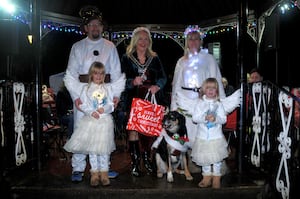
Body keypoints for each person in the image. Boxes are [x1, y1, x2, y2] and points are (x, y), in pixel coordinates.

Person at [63, 5, 122, 182]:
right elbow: (71, 74)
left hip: (104, 93)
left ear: (102, 27)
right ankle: (78, 168)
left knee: (103, 132)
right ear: (86, 27)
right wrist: (77, 98)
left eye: (98, 25)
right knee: (82, 131)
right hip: (84, 94)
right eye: (92, 25)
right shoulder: (77, 47)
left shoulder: (110, 46)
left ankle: (104, 168)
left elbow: (117, 73)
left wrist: (116, 94)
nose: (95, 28)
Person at [64, 62, 125, 187]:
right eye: (96, 73)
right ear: (91, 74)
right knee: (93, 149)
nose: (99, 76)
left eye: (101, 73)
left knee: (104, 150)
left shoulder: (107, 88)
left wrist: (105, 109)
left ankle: (104, 173)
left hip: (104, 122)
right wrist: (91, 112)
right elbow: (82, 104)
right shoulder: (85, 89)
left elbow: (111, 104)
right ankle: (94, 174)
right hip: (91, 122)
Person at [120, 26, 167, 177]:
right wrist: (132, 81)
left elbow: (163, 77)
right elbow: (119, 80)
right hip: (133, 98)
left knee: (148, 131)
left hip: (150, 98)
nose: (143, 41)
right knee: (134, 131)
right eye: (140, 38)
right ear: (134, 40)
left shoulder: (155, 58)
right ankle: (135, 164)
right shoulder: (126, 58)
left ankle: (148, 161)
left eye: (146, 39)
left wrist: (157, 86)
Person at [170, 25, 225, 149]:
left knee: (202, 131)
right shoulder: (181, 61)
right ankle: (187, 158)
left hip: (203, 100)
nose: (193, 41)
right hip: (184, 101)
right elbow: (176, 85)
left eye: (196, 39)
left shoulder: (209, 59)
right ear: (187, 42)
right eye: (190, 39)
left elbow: (216, 80)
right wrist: (174, 105)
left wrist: (221, 102)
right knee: (185, 132)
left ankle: (202, 158)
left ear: (201, 41)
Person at [191, 77, 228, 189]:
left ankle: (216, 177)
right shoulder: (200, 103)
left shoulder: (219, 104)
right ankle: (206, 177)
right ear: (204, 90)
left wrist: (215, 119)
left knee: (217, 159)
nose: (211, 90)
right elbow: (195, 118)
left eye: (213, 88)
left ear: (216, 90)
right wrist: (204, 117)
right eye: (208, 88)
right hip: (202, 137)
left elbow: (224, 119)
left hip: (216, 137)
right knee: (205, 158)